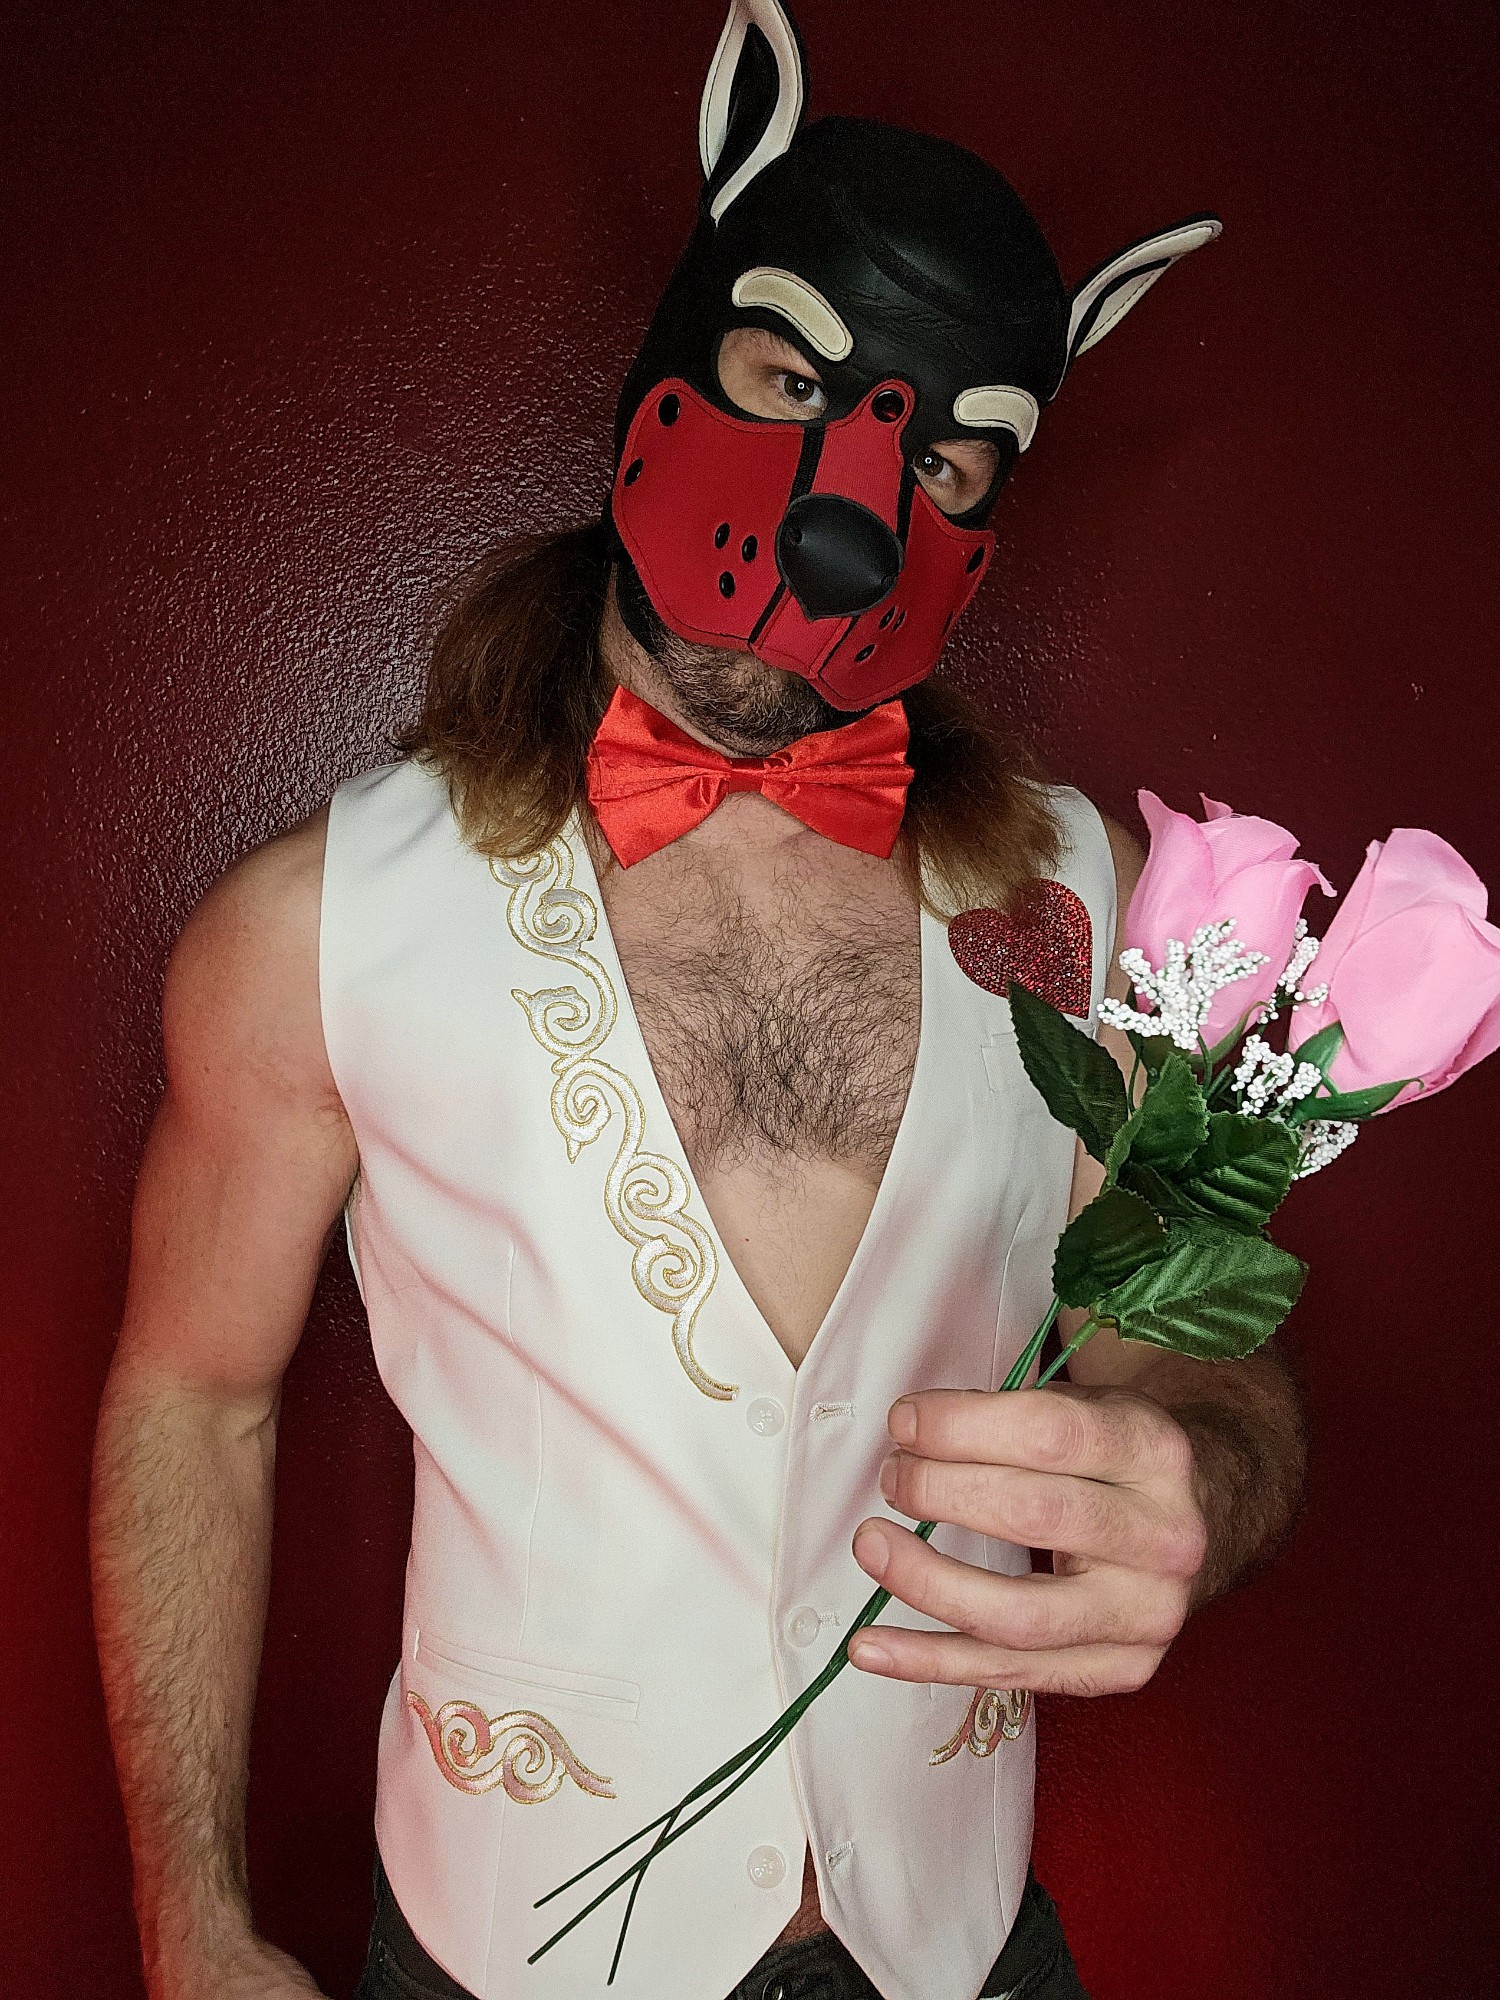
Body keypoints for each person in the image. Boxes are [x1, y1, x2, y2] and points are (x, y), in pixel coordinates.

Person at [89, 5, 1306, 1998]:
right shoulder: (310, 932)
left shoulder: (1096, 905)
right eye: (792, 379)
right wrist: (190, 1923)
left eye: (953, 452)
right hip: (502, 1946)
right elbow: (191, 1400)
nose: (854, 502)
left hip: (964, 1943)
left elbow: (1193, 1347)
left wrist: (1206, 1471)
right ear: (670, 374)